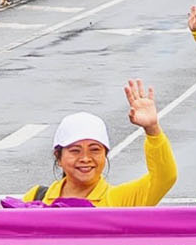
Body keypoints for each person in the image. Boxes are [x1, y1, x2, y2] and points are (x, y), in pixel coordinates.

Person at [21, 80, 176, 205]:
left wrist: (152, 129)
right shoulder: (36, 198)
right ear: (58, 157)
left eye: (95, 150)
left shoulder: (120, 201)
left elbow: (164, 177)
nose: (85, 158)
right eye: (75, 150)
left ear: (105, 154)